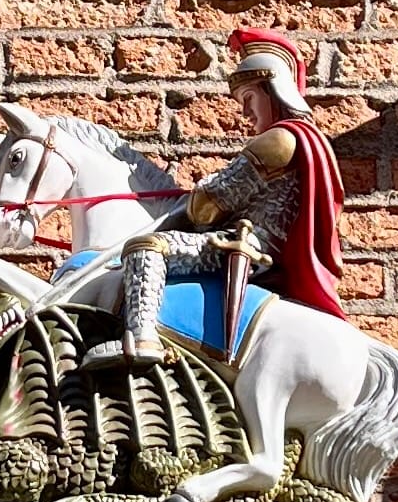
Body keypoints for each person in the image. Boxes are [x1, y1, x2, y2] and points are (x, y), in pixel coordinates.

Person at [82, 27, 347, 369]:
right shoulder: (294, 140)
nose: (246, 113)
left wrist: (201, 191)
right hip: (252, 245)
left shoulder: (278, 141)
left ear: (274, 90)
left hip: (244, 248)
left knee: (147, 246)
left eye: (249, 100)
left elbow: (207, 208)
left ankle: (143, 338)